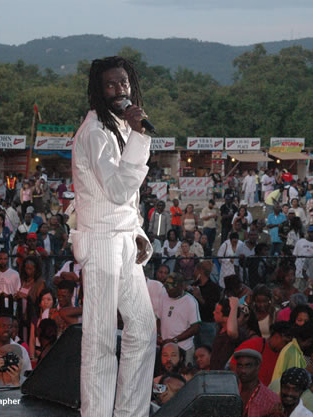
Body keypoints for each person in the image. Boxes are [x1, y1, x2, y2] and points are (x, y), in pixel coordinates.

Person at [70, 56, 157, 417]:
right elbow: (120, 189)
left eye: (123, 83)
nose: (119, 90)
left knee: (142, 329)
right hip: (102, 242)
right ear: (97, 91)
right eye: (110, 84)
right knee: (100, 339)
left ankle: (130, 413)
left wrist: (137, 232)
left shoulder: (119, 127)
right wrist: (140, 134)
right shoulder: (95, 132)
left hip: (123, 238)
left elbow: (126, 200)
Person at [230, 321, 294, 386]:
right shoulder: (255, 345)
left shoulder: (285, 355)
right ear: (276, 336)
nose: (287, 346)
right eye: (286, 342)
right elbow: (233, 365)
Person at [158, 273, 201, 365]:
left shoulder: (190, 301)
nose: (168, 290)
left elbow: (195, 327)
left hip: (183, 348)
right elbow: (159, 318)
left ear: (181, 286)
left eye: (171, 288)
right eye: (167, 287)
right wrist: (159, 335)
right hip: (166, 347)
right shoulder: (163, 296)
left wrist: (175, 340)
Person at [233, 349, 281, 417]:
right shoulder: (230, 392)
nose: (243, 370)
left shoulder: (270, 400)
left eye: (248, 366)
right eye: (240, 365)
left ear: (258, 367)